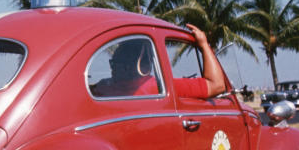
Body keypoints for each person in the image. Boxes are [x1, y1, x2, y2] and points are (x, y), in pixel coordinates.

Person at [93, 24, 226, 99]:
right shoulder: (159, 87)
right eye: (113, 63)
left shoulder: (103, 88)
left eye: (115, 64)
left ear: (130, 66)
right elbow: (217, 85)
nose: (112, 68)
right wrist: (204, 44)